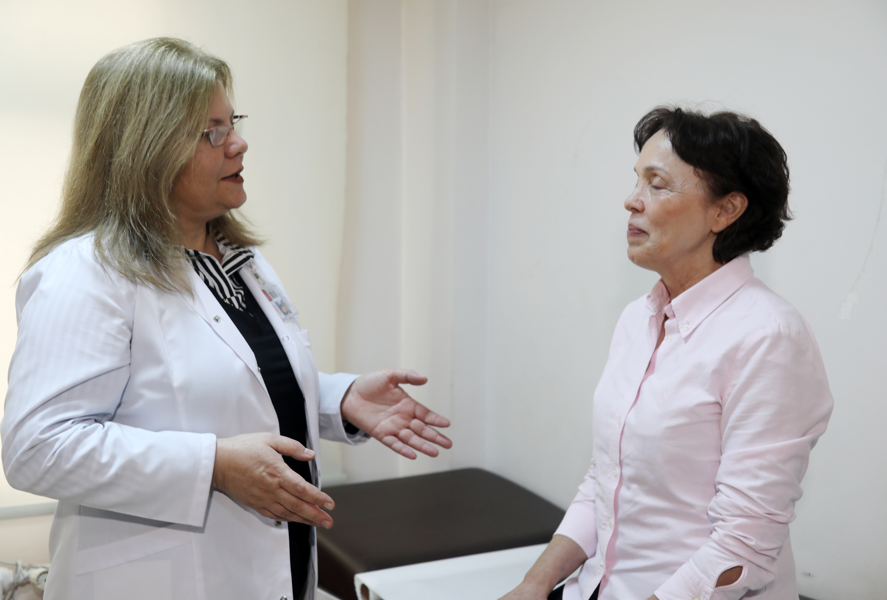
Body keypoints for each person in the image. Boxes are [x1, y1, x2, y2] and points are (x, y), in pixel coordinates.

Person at [0, 38, 451, 600]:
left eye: (231, 122)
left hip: (279, 570)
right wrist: (213, 465)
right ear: (147, 149)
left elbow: (235, 386)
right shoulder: (86, 272)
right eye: (212, 131)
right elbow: (38, 448)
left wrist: (338, 399)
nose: (239, 143)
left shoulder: (240, 261)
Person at [501, 106, 833, 600]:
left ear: (725, 210)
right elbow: (606, 479)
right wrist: (534, 584)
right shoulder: (639, 317)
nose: (631, 200)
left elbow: (743, 547)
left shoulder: (769, 337)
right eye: (637, 180)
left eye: (656, 184)